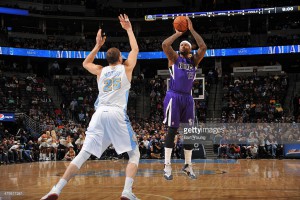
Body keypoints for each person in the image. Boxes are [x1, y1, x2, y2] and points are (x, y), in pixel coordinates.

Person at [41, 14, 140, 200]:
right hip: (117, 113)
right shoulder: (126, 69)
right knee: (134, 154)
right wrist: (128, 29)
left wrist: (97, 45)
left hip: (99, 113)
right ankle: (127, 192)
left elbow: (85, 63)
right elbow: (135, 48)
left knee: (83, 153)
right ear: (120, 58)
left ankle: (56, 189)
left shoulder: (100, 71)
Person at [162, 16, 207, 180]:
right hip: (174, 96)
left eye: (185, 44)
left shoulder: (194, 61)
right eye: (181, 44)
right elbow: (165, 45)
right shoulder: (174, 58)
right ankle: (167, 166)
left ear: (190, 48)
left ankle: (188, 166)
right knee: (172, 131)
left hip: (188, 99)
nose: (182, 45)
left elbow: (203, 46)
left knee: (189, 133)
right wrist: (178, 33)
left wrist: (192, 29)